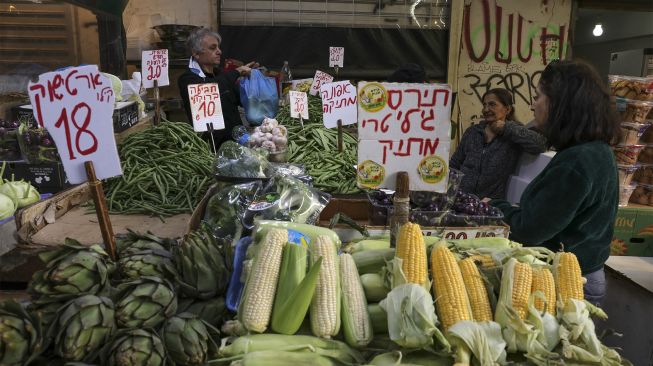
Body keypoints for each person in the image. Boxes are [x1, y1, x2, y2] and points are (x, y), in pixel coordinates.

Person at [489, 60, 621, 304]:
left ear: (560, 103)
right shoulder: (595, 150)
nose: (532, 104)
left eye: (538, 97)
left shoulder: (577, 162)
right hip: (582, 276)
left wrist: (494, 206)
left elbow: (529, 230)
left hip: (570, 283)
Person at [450, 88, 547, 199]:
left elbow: (540, 144)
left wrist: (507, 128)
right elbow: (455, 164)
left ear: (507, 109)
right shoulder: (473, 132)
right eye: (484, 105)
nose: (486, 109)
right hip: (460, 198)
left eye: (492, 104)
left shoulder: (513, 134)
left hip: (489, 204)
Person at [178, 28, 256, 148]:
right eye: (212, 48)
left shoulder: (219, 74)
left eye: (219, 47)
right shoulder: (188, 79)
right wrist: (236, 72)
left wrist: (251, 82)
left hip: (237, 142)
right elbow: (210, 88)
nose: (219, 51)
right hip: (213, 148)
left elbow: (239, 99)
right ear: (196, 53)